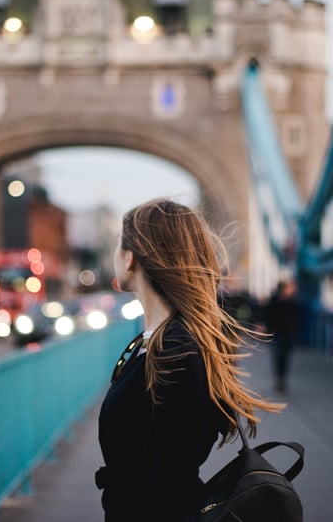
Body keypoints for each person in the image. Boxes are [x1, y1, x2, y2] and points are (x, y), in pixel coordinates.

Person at [96, 198, 285, 522]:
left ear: (131, 258)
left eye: (117, 246)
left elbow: (166, 479)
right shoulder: (158, 341)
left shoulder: (177, 350)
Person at [263, 280, 302, 392]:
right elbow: (268, 316)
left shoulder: (293, 302)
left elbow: (297, 318)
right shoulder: (275, 301)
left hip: (289, 334)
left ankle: (282, 377)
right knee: (279, 355)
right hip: (277, 333)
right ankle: (279, 378)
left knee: (286, 356)